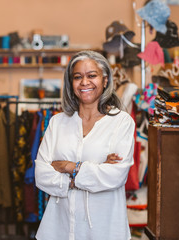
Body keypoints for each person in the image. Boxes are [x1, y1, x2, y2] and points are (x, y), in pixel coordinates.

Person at [35, 50, 135, 240]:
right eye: (77, 77)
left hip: (104, 230)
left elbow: (116, 176)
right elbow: (41, 175)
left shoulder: (121, 122)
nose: (84, 82)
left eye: (92, 76)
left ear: (105, 80)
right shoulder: (57, 123)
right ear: (70, 83)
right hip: (58, 229)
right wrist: (94, 170)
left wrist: (67, 166)